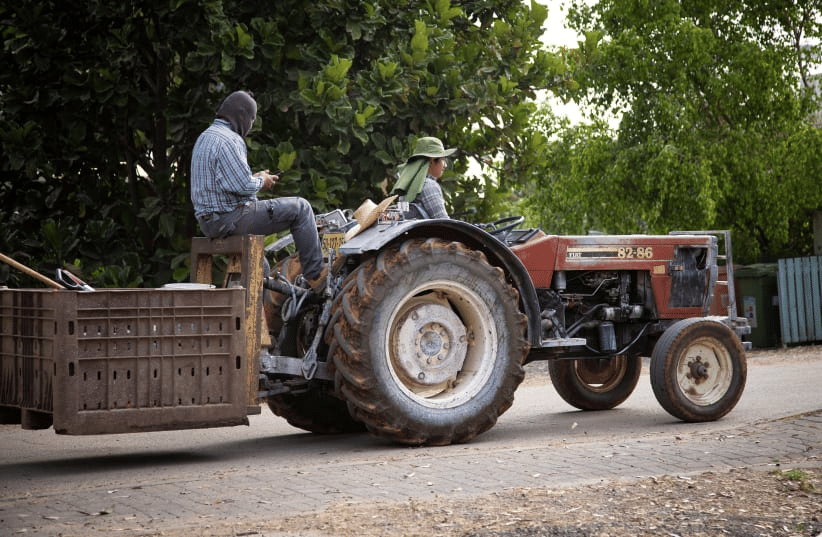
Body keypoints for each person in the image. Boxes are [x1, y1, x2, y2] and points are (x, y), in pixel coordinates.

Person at [190, 90, 324, 288]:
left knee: (262, 267)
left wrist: (256, 178)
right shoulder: (230, 140)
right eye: (252, 119)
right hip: (230, 219)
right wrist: (263, 181)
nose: (250, 126)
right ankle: (316, 276)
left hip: (208, 222)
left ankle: (247, 317)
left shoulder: (205, 137)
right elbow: (243, 185)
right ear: (242, 116)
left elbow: (228, 183)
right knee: (301, 208)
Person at [391, 137, 457, 219]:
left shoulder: (408, 185)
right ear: (432, 161)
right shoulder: (429, 185)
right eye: (443, 159)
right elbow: (442, 221)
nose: (445, 165)